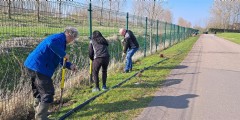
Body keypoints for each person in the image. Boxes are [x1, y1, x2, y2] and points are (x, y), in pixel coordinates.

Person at [24, 27, 78, 120]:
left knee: (39, 91)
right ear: (69, 34)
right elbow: (50, 43)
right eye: (73, 38)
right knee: (47, 92)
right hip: (39, 67)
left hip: (32, 65)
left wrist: (69, 65)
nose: (73, 41)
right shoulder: (58, 38)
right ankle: (41, 117)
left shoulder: (61, 41)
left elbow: (59, 57)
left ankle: (39, 111)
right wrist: (63, 54)